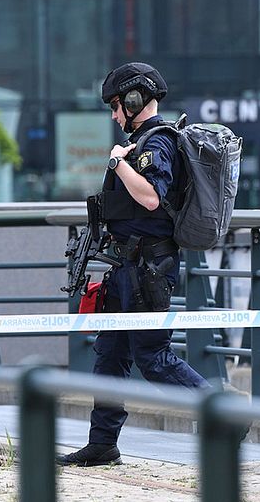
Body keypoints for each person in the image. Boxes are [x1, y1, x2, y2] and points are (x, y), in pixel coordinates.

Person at [57, 62, 212, 467]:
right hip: (126, 268)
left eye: (115, 106)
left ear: (133, 99)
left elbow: (150, 198)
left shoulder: (156, 143)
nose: (113, 116)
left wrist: (118, 163)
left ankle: (225, 417)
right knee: (109, 356)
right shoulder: (141, 142)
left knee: (153, 357)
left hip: (148, 270)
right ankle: (102, 444)